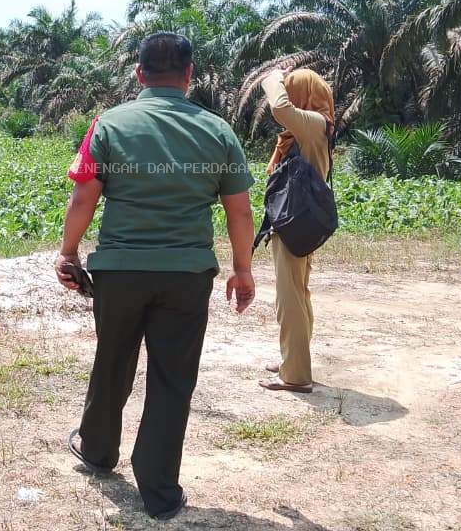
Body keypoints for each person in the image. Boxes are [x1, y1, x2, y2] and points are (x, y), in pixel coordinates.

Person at [56, 32, 256, 520]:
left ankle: (99, 452)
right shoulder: (218, 131)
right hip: (186, 275)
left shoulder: (108, 124)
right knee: (172, 378)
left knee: (112, 361)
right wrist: (243, 270)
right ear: (189, 76)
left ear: (139, 73)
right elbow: (239, 211)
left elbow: (85, 197)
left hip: (120, 272)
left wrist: (68, 253)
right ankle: (159, 488)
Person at [258, 67, 335, 394]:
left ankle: (296, 375)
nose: (286, 92)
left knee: (289, 296)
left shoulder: (313, 123)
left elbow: (279, 107)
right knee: (297, 293)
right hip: (298, 219)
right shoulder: (310, 129)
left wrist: (272, 76)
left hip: (294, 221)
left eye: (292, 88)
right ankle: (294, 359)